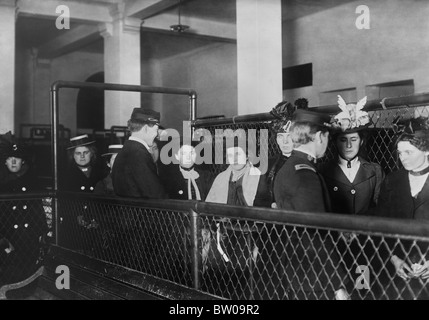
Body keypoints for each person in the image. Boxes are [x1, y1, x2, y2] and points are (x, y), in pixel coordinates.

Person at [273, 109, 349, 300]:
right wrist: (337, 284)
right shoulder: (305, 174)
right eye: (327, 137)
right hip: (316, 277)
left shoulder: (289, 166)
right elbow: (315, 235)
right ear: (318, 137)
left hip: (298, 270)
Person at [371, 116, 429, 299]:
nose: (403, 158)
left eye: (409, 153)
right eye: (400, 152)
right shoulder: (392, 181)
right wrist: (394, 258)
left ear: (427, 150)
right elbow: (382, 225)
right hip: (399, 270)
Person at [320, 96, 385, 215]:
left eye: (354, 139)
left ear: (361, 141)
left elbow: (379, 208)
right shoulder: (323, 170)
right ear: (335, 142)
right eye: (343, 140)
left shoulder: (375, 170)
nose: (348, 145)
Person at [0, 132, 48, 287]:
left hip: (29, 239)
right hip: (7, 241)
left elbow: (39, 212)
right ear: (5, 161)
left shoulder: (33, 183)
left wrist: (42, 234)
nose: (13, 161)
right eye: (9, 158)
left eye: (17, 158)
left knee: (30, 277)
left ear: (23, 160)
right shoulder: (2, 183)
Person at [112, 108, 167, 199]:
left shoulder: (125, 150)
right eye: (156, 130)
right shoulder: (139, 153)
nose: (157, 135)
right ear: (146, 128)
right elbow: (155, 194)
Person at [266, 100, 296, 208]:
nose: (285, 141)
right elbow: (260, 198)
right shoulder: (269, 164)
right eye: (280, 136)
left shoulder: (306, 162)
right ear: (276, 139)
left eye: (289, 136)